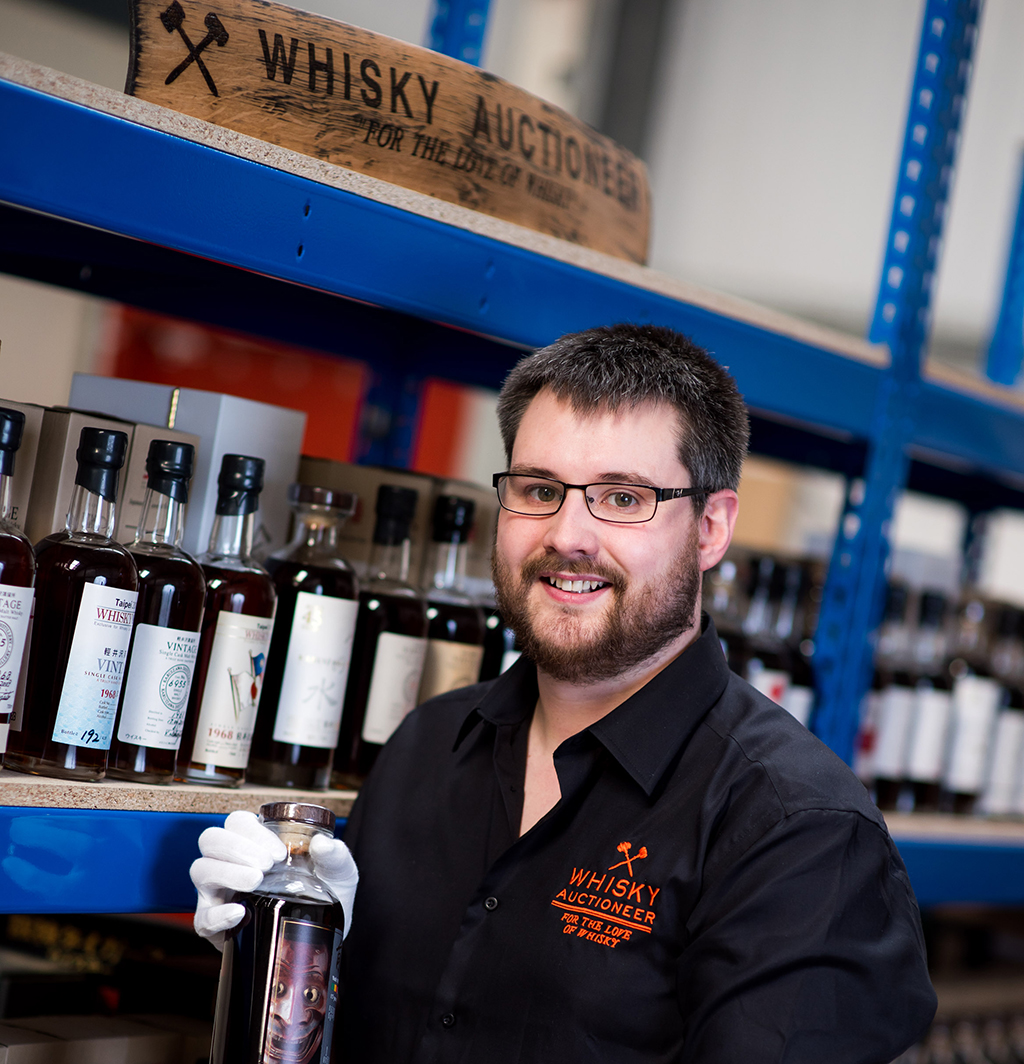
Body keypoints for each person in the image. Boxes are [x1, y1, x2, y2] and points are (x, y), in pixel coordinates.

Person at [193, 324, 936, 1063]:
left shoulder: (797, 830)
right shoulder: (427, 744)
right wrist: (295, 967)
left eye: (622, 497)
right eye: (540, 490)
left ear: (711, 529)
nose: (568, 535)